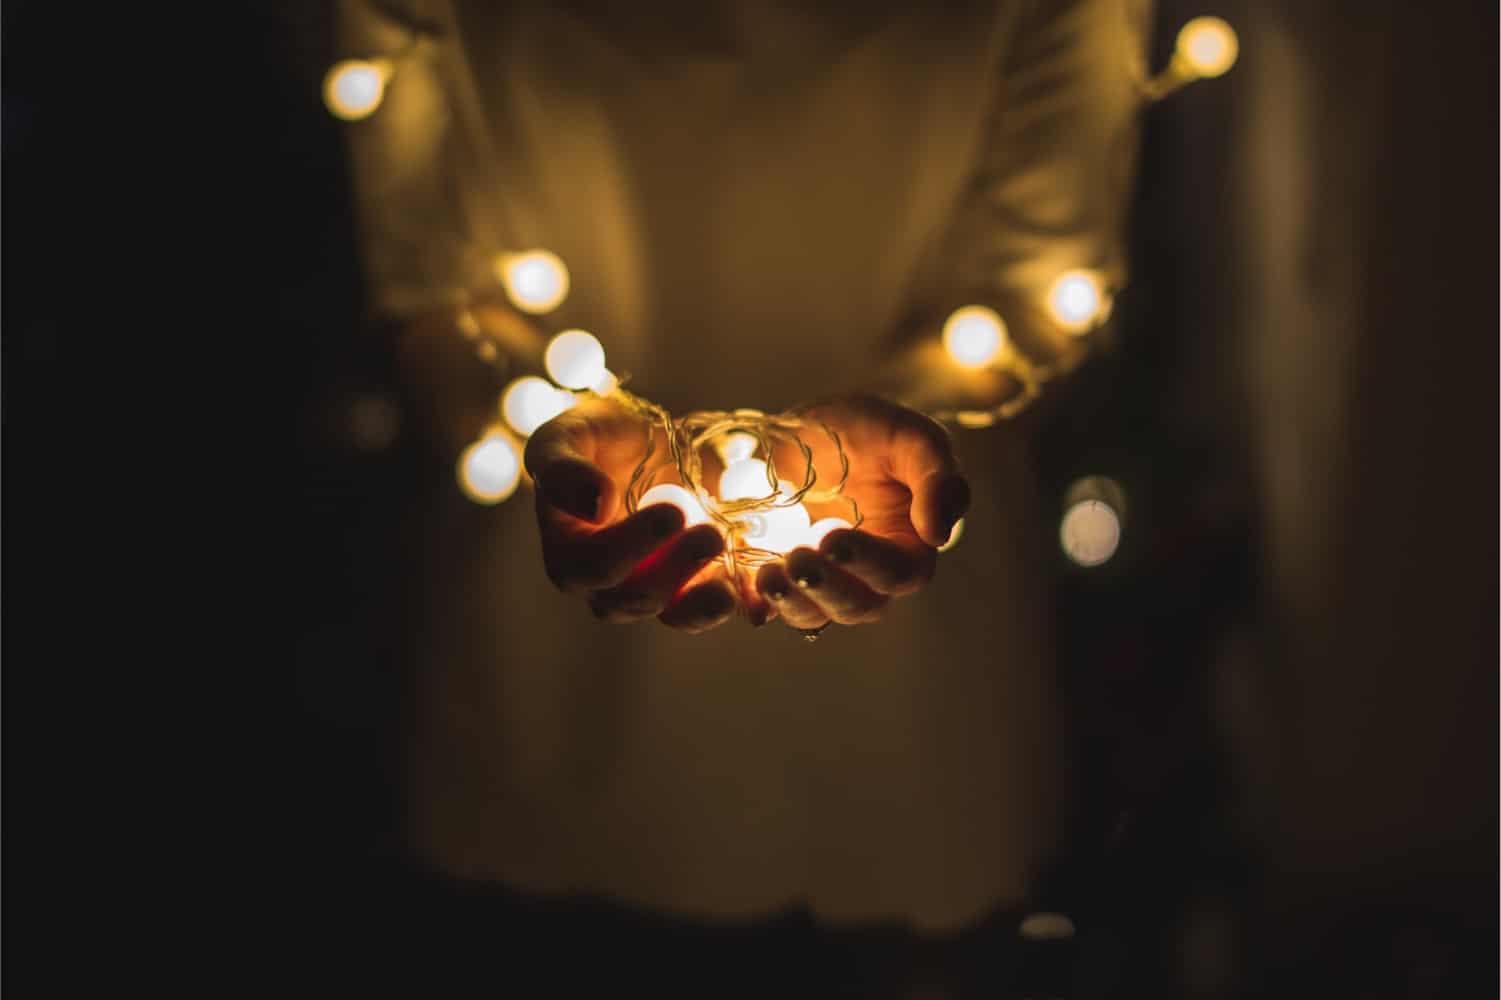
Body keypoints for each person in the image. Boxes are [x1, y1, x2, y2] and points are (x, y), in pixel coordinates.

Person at [333, 0, 1149, 932]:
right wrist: (532, 418)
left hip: (906, 714)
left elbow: (1034, 288)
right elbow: (429, 285)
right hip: (549, 699)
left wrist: (915, 425)